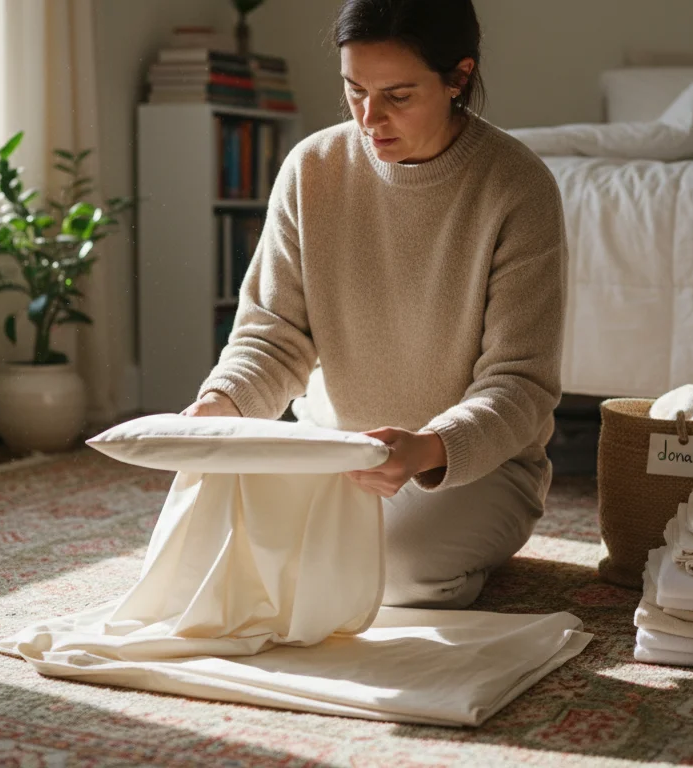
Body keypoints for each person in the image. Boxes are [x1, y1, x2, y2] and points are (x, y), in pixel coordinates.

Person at [182, 0, 567, 609]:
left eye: (398, 96)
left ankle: (444, 569)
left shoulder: (518, 187)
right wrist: (219, 404)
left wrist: (425, 449)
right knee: (210, 542)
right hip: (331, 453)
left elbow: (520, 383)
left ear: (458, 77)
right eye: (354, 90)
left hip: (472, 466)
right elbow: (273, 334)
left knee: (395, 567)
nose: (369, 118)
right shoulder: (312, 168)